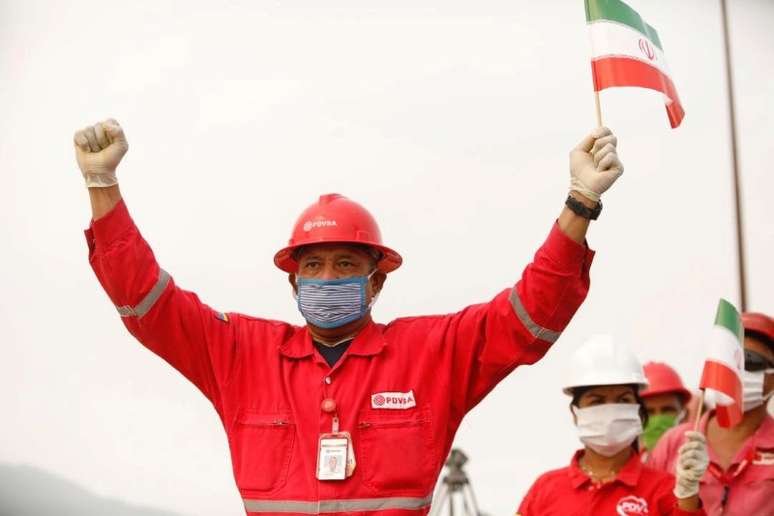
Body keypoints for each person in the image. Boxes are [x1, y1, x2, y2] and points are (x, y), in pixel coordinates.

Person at [74, 118, 622, 515]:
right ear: (293, 281)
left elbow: (529, 316)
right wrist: (103, 186)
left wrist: (578, 205)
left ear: (377, 280)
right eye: (313, 265)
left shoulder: (433, 352)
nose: (328, 279)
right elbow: (146, 302)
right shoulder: (239, 354)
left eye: (345, 264)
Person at [517, 335, 709, 515]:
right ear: (575, 413)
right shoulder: (544, 489)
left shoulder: (666, 490)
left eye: (623, 400)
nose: (611, 411)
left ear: (638, 411)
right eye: (597, 401)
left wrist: (688, 498)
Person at [649, 312, 774, 515]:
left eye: (750, 361)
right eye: (729, 360)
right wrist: (687, 499)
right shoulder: (674, 442)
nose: (736, 370)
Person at [640, 362, 692, 457]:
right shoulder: (622, 466)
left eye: (667, 410)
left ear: (685, 415)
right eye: (649, 412)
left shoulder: (701, 464)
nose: (658, 419)